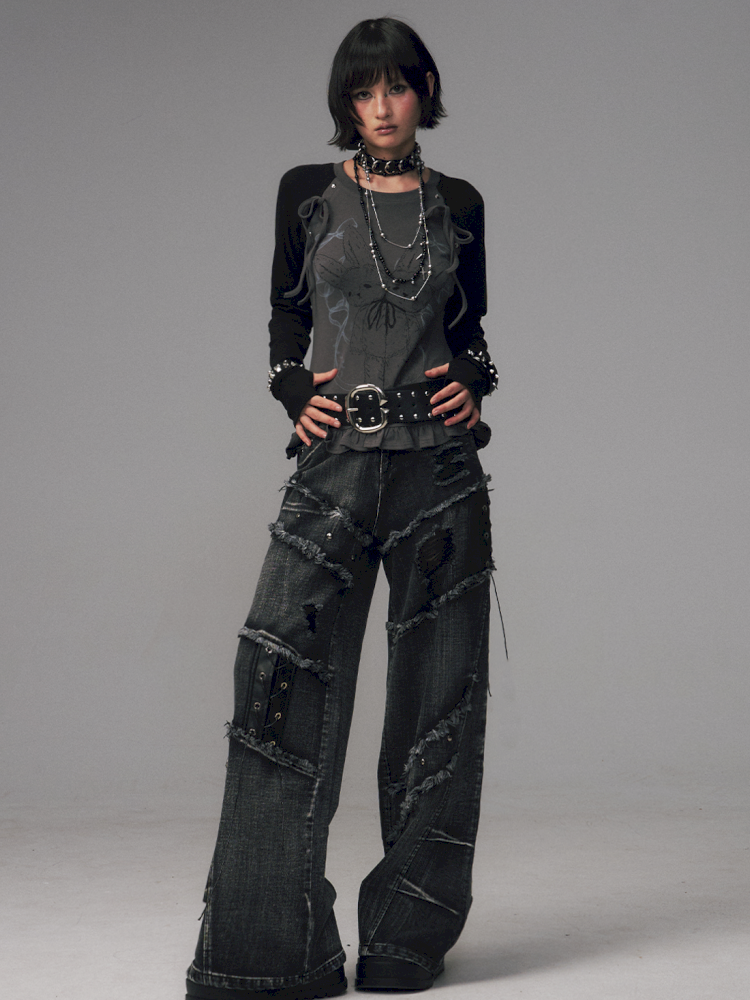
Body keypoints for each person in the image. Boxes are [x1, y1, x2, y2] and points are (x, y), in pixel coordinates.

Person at [186, 17, 498, 1000]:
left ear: (424, 89)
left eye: (396, 87)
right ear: (345, 104)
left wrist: (477, 382)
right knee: (279, 684)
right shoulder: (307, 193)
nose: (381, 107)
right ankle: (268, 949)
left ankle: (407, 939)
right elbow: (286, 312)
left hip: (439, 472)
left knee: (439, 703)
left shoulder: (459, 202)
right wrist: (291, 389)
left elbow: (473, 331)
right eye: (363, 92)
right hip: (333, 463)